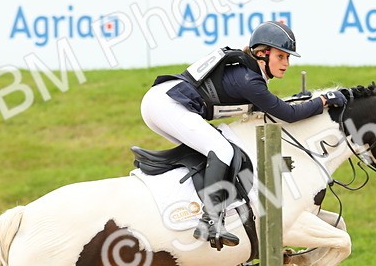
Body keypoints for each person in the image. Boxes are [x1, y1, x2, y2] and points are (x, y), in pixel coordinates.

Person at [140, 21, 348, 249]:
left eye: (288, 58)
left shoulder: (248, 73)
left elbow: (270, 107)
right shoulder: (248, 79)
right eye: (281, 56)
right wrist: (324, 100)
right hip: (167, 105)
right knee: (222, 150)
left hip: (162, 103)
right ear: (262, 54)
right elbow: (287, 114)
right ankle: (210, 220)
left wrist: (303, 101)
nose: (286, 64)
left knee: (210, 152)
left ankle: (189, 209)